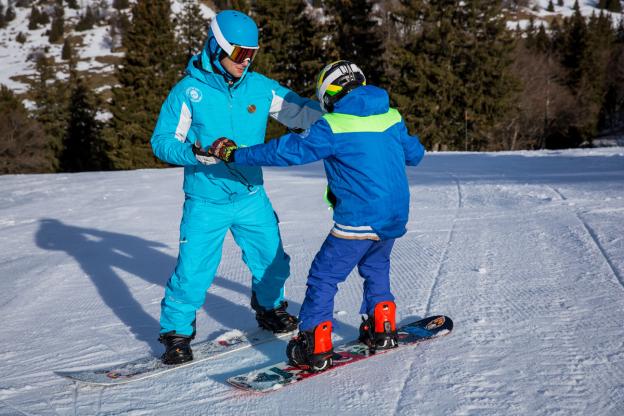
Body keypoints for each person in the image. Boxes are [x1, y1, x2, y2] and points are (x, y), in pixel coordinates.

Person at [207, 60, 426, 371]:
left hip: (358, 218)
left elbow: (285, 151)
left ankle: (315, 341)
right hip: (393, 217)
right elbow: (415, 155)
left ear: (329, 93)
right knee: (376, 266)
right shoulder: (391, 116)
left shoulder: (333, 126)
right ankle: (383, 324)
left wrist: (235, 154)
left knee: (324, 276)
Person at [150, 10, 323, 365]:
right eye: (239, 54)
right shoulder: (189, 91)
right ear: (215, 48)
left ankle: (270, 308)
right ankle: (176, 334)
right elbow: (162, 141)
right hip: (206, 199)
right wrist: (194, 153)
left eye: (252, 54)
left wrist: (340, 114)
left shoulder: (260, 88)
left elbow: (301, 112)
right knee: (193, 271)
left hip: (250, 196)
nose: (246, 62)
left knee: (273, 262)